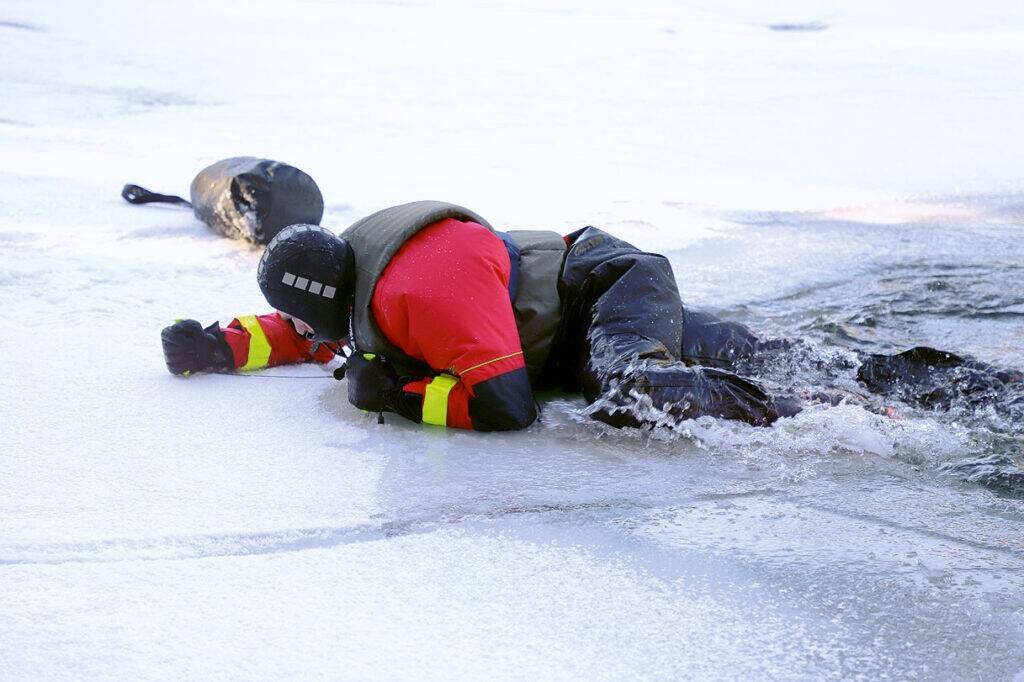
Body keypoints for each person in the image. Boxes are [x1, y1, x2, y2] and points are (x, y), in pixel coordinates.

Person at [161, 201, 1022, 431]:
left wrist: (401, 397)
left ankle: (851, 420)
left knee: (636, 392)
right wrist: (222, 347)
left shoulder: (420, 288)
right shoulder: (355, 272)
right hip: (592, 307)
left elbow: (506, 405)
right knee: (779, 354)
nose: (325, 343)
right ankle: (963, 388)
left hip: (607, 291)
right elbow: (313, 331)